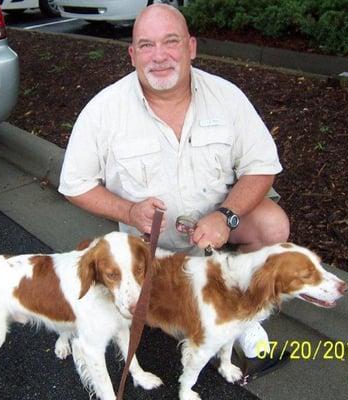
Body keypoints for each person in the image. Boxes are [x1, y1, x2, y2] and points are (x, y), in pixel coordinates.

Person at [59, 3, 290, 373]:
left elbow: (262, 167)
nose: (160, 56)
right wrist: (128, 211)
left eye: (171, 42)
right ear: (132, 54)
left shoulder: (227, 97)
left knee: (273, 226)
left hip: (214, 233)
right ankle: (161, 299)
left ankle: (245, 317)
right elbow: (74, 184)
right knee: (151, 317)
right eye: (147, 46)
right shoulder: (104, 110)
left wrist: (226, 215)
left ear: (191, 47)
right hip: (148, 249)